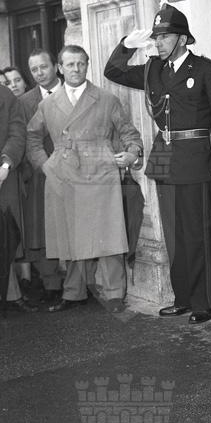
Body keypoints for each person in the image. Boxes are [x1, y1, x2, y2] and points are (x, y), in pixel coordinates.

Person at [104, 4, 211, 324]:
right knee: (174, 235)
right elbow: (113, 71)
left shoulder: (206, 71)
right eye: (156, 37)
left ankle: (203, 302)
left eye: (164, 37)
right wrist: (126, 45)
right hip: (164, 158)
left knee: (198, 233)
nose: (158, 42)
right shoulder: (153, 69)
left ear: (183, 39)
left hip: (197, 159)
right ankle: (183, 297)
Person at [26, 45, 143, 313]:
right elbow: (32, 137)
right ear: (60, 68)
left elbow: (130, 134)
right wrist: (46, 166)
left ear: (87, 65)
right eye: (70, 64)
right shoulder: (47, 104)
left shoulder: (106, 99)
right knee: (71, 234)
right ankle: (73, 292)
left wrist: (131, 154)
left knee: (108, 233)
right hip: (63, 173)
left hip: (100, 170)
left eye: (81, 63)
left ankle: (114, 294)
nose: (76, 69)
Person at [18, 49, 63, 303]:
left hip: (75, 172)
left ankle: (81, 284)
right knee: (44, 230)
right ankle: (51, 284)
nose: (39, 73)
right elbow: (25, 139)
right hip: (41, 173)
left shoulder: (73, 92)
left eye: (43, 67)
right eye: (34, 69)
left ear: (55, 67)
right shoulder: (25, 102)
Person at [0, 83, 36, 312]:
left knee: (5, 237)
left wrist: (5, 165)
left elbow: (17, 132)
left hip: (3, 175)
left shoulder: (4, 95)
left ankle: (11, 295)